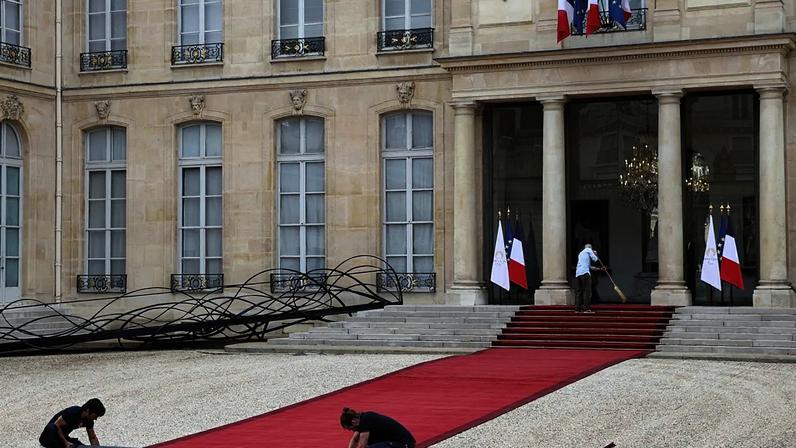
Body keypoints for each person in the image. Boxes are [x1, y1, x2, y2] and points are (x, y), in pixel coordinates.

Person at [39, 398, 105, 448]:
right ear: (88, 410)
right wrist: (65, 443)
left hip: (62, 438)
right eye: (95, 416)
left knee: (81, 446)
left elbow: (92, 437)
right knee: (52, 427)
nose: (95, 419)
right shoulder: (73, 412)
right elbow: (57, 425)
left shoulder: (89, 420)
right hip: (49, 437)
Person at [340, 407, 416, 448]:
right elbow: (355, 439)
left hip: (403, 444)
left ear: (353, 422)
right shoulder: (361, 420)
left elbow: (362, 446)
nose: (351, 430)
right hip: (396, 442)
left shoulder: (365, 420)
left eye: (350, 428)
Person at [574, 244, 604, 313]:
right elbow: (595, 259)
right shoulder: (588, 250)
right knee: (587, 291)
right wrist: (595, 254)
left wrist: (600, 269)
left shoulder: (581, 253)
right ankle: (586, 309)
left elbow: (589, 266)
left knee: (579, 292)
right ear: (590, 248)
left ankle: (577, 309)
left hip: (578, 274)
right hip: (585, 273)